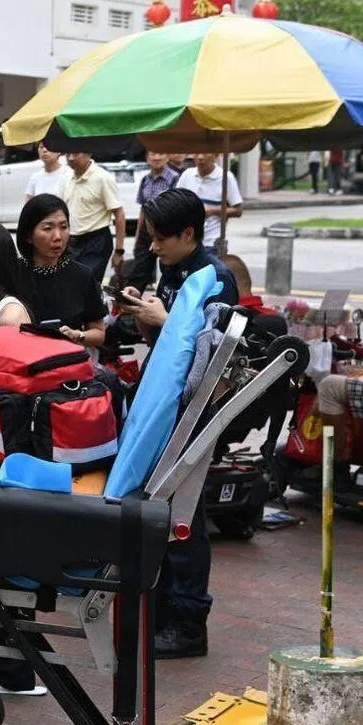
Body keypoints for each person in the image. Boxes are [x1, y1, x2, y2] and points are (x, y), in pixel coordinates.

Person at [121, 188, 237, 661]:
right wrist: (143, 317)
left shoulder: (217, 279)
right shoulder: (173, 269)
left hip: (195, 415)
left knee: (185, 518)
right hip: (166, 409)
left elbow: (214, 356)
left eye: (160, 238)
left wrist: (163, 319)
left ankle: (189, 623)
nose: (152, 248)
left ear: (189, 233)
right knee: (161, 511)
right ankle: (165, 609)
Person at [16, 194, 107, 349]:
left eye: (64, 227)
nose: (58, 236)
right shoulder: (12, 273)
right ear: (28, 235)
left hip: (66, 364)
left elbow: (99, 332)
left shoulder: (82, 276)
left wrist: (78, 335)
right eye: (48, 228)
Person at [62, 151, 125, 284]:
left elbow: (119, 213)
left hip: (96, 241)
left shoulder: (102, 178)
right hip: (72, 241)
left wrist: (119, 251)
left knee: (87, 284)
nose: (71, 158)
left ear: (88, 154)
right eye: (68, 154)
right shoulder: (66, 177)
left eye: (76, 154)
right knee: (70, 284)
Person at [126, 153, 179, 293]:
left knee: (168, 269)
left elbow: (177, 208)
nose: (156, 158)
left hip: (166, 230)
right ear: (147, 158)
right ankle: (130, 306)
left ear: (168, 157)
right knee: (139, 270)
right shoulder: (145, 179)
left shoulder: (174, 178)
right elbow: (143, 209)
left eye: (160, 153)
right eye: (152, 154)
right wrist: (137, 237)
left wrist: (160, 237)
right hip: (146, 230)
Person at [176, 152, 243, 247]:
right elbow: (176, 202)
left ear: (216, 155)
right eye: (197, 153)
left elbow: (238, 211)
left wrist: (211, 211)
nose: (200, 157)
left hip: (212, 242)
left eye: (205, 153)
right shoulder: (187, 175)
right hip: (187, 242)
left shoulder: (226, 177)